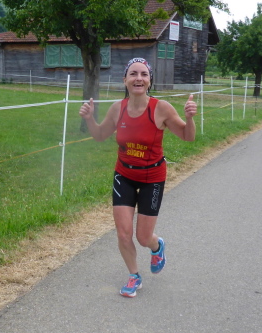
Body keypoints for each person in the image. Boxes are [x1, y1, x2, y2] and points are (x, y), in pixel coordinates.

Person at [79, 57, 197, 298]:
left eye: (144, 74)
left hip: (153, 177)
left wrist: (190, 118)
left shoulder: (161, 108)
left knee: (143, 237)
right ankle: (134, 276)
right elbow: (100, 135)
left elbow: (188, 136)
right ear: (125, 79)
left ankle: (157, 245)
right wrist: (89, 118)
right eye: (133, 74)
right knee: (123, 233)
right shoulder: (118, 108)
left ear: (150, 80)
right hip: (124, 175)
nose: (138, 78)